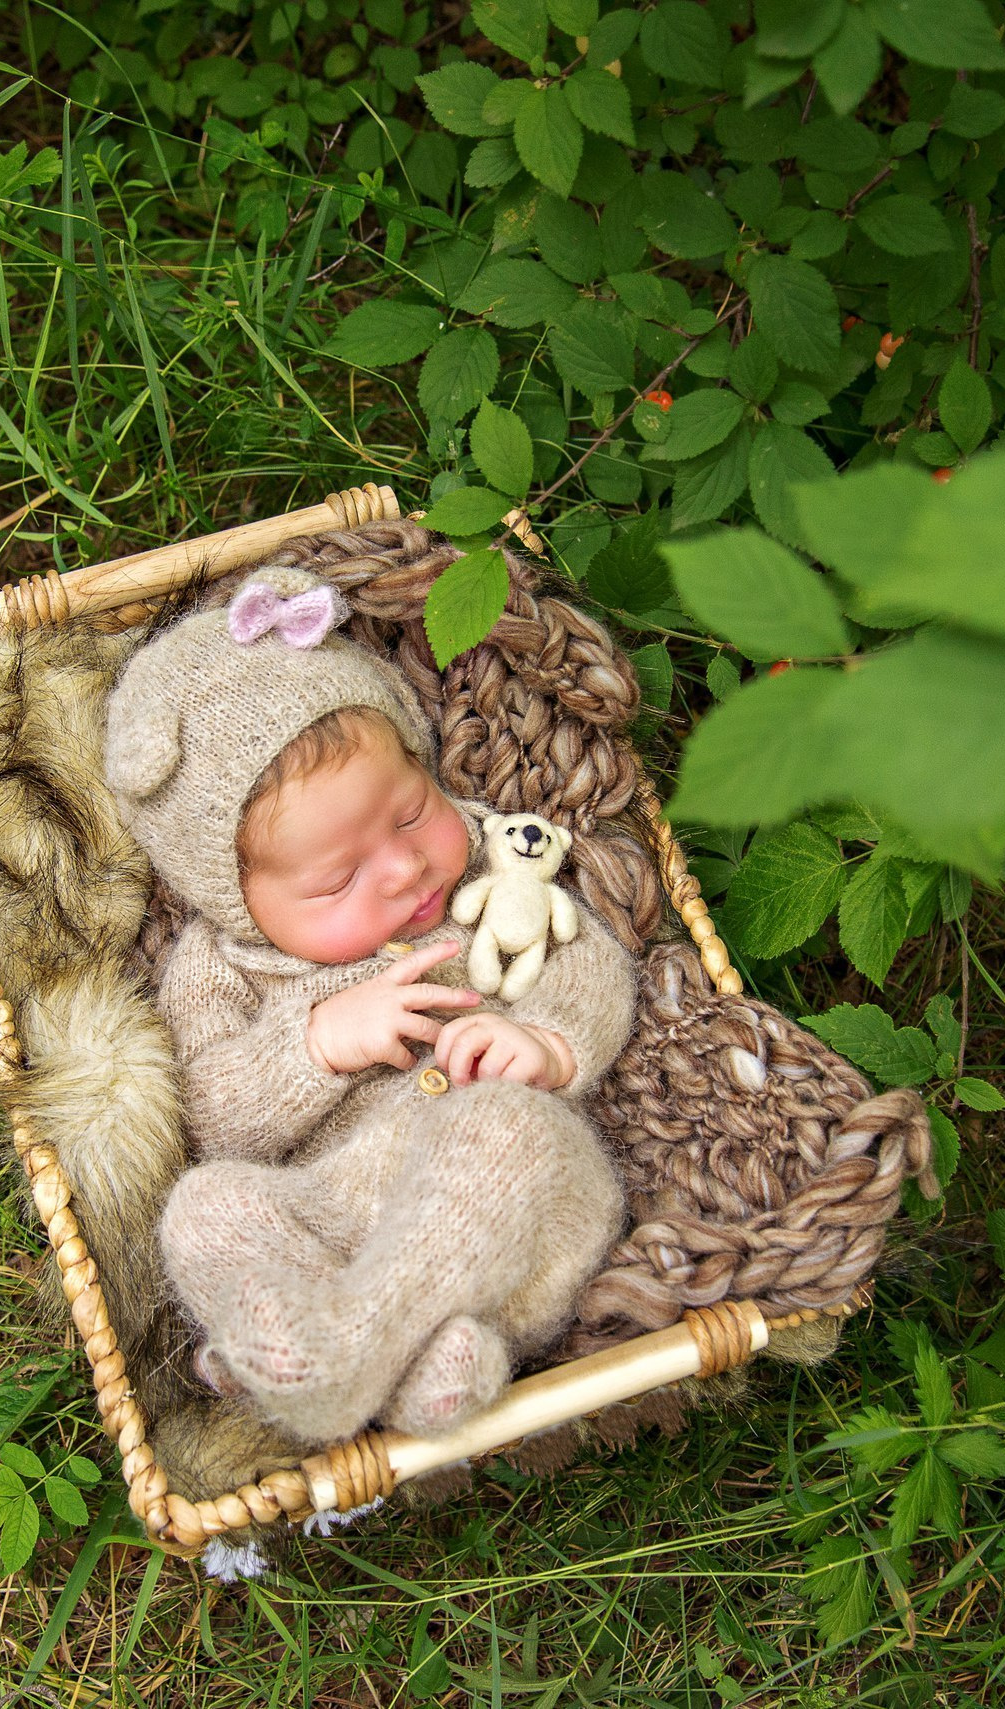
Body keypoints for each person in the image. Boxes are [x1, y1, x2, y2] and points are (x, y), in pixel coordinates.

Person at [102, 565, 633, 1446]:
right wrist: (310, 1047)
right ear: (236, 900)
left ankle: (342, 1362)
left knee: (507, 1125)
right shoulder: (218, 968)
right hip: (332, 1221)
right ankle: (412, 1370)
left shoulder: (494, 871)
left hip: (513, 1211)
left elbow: (585, 960)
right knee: (203, 1206)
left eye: (410, 812)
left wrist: (547, 1043)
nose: (403, 869)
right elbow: (206, 1111)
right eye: (339, 878)